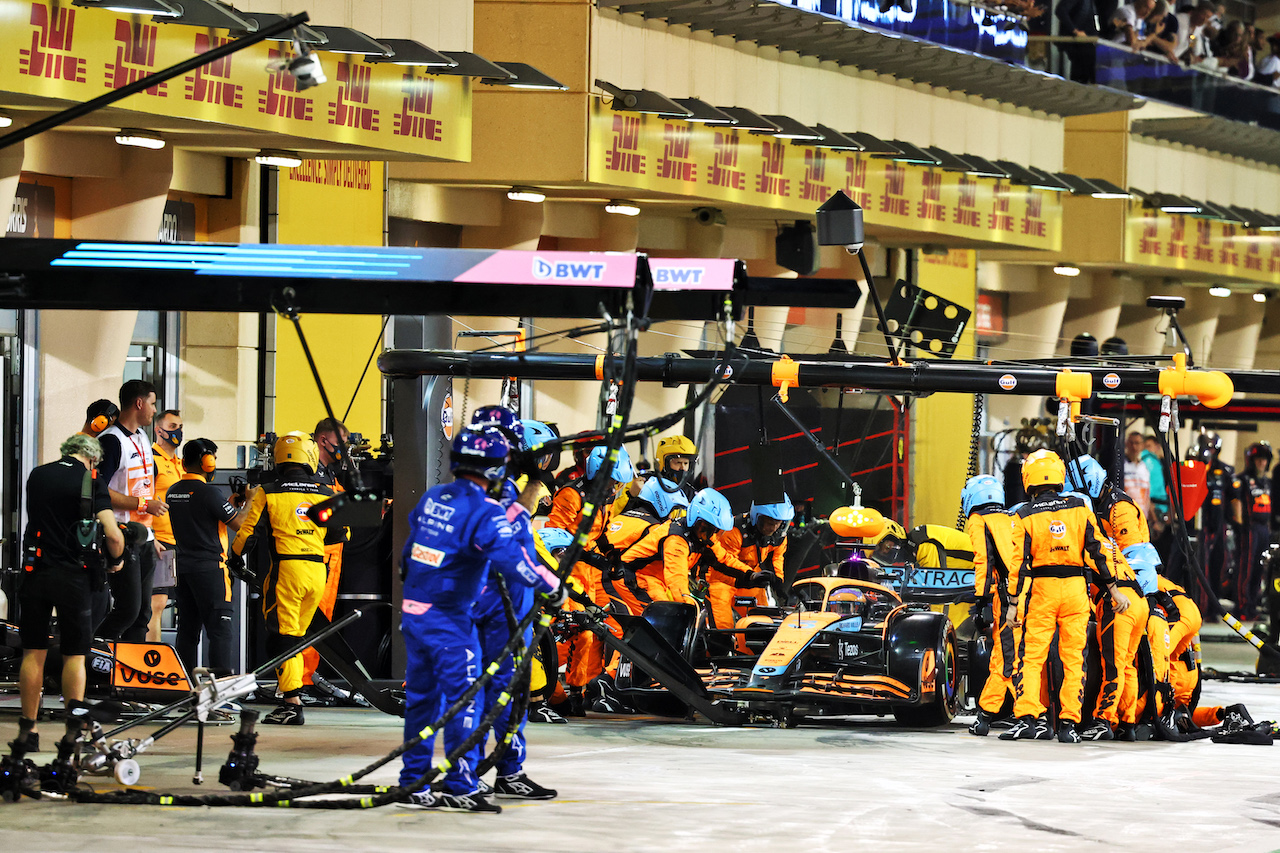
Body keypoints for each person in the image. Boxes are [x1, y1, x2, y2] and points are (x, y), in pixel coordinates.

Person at [398, 427, 563, 813]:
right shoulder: (486, 511)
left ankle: (413, 783)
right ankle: (460, 785)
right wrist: (553, 586)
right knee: (466, 703)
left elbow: (409, 555)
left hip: (416, 612)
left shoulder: (433, 497)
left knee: (422, 702)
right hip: (453, 620)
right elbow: (513, 559)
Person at [1000, 449, 1129, 743]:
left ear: (1028, 479)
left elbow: (1018, 565)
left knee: (1031, 658)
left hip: (1042, 591)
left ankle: (1028, 720)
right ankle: (1069, 725)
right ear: (1059, 476)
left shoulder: (1023, 515)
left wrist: (1012, 604)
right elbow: (1098, 551)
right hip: (1075, 590)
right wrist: (1114, 589)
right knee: (1074, 660)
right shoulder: (1080, 508)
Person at [11, 434, 125, 760]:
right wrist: (115, 561)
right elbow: (114, 536)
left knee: (34, 652)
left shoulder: (39, 474)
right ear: (92, 459)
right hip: (73, 577)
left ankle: (28, 729)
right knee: (75, 655)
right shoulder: (91, 480)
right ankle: (71, 733)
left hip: (35, 572)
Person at [229, 432, 335, 725]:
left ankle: (291, 704)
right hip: (317, 572)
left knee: (283, 638)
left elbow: (247, 533)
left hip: (286, 572)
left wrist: (235, 559)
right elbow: (343, 533)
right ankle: (291, 696)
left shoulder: (269, 490)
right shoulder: (325, 492)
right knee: (297, 638)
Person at [548, 444, 634, 715]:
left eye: (619, 483)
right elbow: (553, 538)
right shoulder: (571, 496)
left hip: (592, 574)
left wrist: (611, 555)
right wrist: (587, 556)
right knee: (573, 632)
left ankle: (589, 689)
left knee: (601, 631)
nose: (616, 488)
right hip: (568, 573)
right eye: (613, 481)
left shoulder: (602, 499)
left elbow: (601, 532)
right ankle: (558, 690)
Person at [96, 379, 167, 642]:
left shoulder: (142, 437)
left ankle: (131, 673)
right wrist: (142, 506)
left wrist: (152, 535)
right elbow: (99, 491)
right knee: (127, 610)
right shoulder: (112, 440)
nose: (153, 409)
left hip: (144, 536)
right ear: (139, 403)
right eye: (152, 403)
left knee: (142, 614)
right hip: (121, 536)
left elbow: (144, 487)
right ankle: (90, 655)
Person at [166, 438, 245, 675]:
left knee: (188, 632)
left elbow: (204, 516)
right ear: (207, 462)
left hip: (183, 569)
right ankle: (220, 689)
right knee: (221, 629)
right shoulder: (209, 493)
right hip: (210, 570)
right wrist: (250, 501)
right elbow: (240, 524)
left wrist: (228, 505)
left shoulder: (173, 491)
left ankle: (184, 686)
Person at [619, 488, 756, 606]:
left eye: (716, 530)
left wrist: (751, 575)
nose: (712, 534)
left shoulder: (703, 536)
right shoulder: (677, 540)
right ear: (697, 520)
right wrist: (690, 606)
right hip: (631, 577)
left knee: (668, 616)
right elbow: (677, 582)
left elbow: (723, 560)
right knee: (659, 621)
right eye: (708, 528)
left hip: (652, 579)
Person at [961, 475, 1017, 736]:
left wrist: (982, 601)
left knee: (1004, 658)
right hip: (1032, 595)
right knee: (1022, 657)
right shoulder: (1011, 517)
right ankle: (1029, 714)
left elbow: (983, 561)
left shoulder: (978, 520)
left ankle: (986, 715)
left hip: (1007, 599)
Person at [298, 417, 351, 695]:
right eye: (340, 442)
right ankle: (302, 680)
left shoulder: (330, 473)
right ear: (323, 440)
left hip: (333, 553)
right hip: (317, 553)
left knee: (322, 618)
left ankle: (308, 675)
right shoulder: (308, 473)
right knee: (311, 617)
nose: (344, 449)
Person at [709, 493, 793, 644]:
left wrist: (778, 580)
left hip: (750, 577)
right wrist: (751, 576)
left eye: (778, 523)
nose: (773, 527)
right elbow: (725, 564)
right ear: (757, 518)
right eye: (769, 522)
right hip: (721, 579)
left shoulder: (779, 535)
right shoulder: (735, 531)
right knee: (723, 627)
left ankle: (754, 657)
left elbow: (777, 557)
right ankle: (719, 655)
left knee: (763, 622)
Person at [148, 409, 184, 642]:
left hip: (182, 540)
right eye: (172, 427)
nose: (178, 432)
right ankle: (152, 662)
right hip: (161, 540)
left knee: (186, 604)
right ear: (158, 430)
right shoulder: (151, 460)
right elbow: (140, 500)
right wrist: (151, 537)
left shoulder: (179, 463)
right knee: (157, 603)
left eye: (180, 427)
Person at [1232, 441, 1273, 619]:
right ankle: (1242, 607)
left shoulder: (1267, 482)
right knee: (1246, 568)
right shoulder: (1241, 480)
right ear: (1251, 460)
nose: (1261, 463)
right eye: (1258, 459)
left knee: (1260, 568)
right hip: (1250, 529)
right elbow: (1235, 504)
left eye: (1264, 460)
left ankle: (1252, 606)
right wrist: (1240, 525)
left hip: (1264, 529)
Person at [1122, 431, 1152, 519]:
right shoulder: (1121, 465)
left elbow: (1147, 495)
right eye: (1131, 443)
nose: (1134, 447)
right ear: (1126, 444)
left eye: (1137, 443)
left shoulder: (1144, 468)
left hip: (1142, 517)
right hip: (1126, 515)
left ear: (1142, 446)